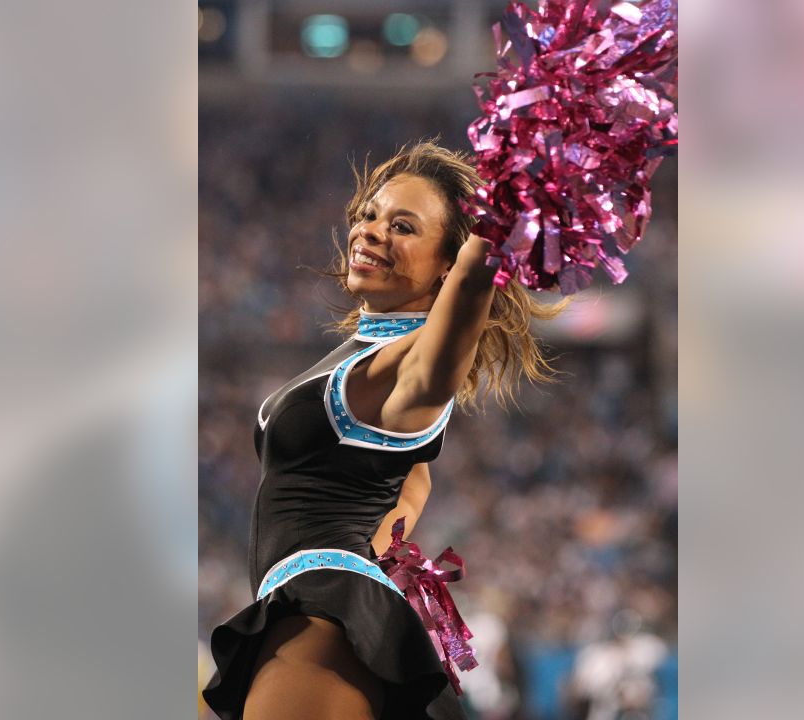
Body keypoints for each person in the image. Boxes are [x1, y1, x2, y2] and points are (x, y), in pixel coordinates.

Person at [202, 141, 564, 719]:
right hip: (324, 615)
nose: (371, 231)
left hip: (320, 623)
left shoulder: (404, 367)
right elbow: (410, 486)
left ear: (447, 261)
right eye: (369, 215)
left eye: (403, 226)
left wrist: (500, 219)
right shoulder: (360, 361)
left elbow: (463, 307)